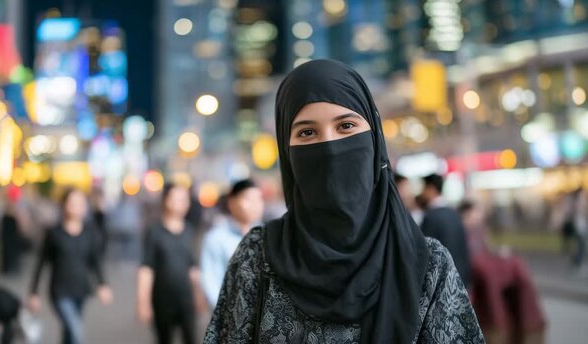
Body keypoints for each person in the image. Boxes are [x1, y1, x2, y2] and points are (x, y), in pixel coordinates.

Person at [204, 59, 483, 343]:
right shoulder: (257, 258)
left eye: (346, 125)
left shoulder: (428, 264)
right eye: (307, 132)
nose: (329, 148)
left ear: (374, 138)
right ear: (287, 155)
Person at [28, 188, 113, 344]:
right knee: (76, 331)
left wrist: (103, 284)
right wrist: (34, 292)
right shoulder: (54, 233)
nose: (76, 207)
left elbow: (95, 262)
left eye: (80, 203)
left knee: (69, 332)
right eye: (72, 203)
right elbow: (41, 264)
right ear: (63, 205)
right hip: (60, 291)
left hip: (81, 289)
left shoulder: (90, 232)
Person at [460, 200, 546, 344]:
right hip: (474, 273)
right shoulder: (463, 231)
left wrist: (498, 252)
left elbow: (487, 247)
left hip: (483, 267)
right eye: (474, 213)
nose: (477, 217)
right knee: (491, 280)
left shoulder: (480, 230)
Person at [137, 183, 200, 344]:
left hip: (185, 299)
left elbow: (192, 267)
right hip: (162, 300)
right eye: (176, 199)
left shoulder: (189, 231)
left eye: (184, 199)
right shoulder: (154, 231)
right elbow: (146, 269)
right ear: (166, 200)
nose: (182, 203)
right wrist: (143, 302)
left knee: (191, 338)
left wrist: (198, 294)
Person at [200, 179, 264, 309]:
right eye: (248, 199)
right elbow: (210, 280)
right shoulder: (216, 238)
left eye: (259, 199)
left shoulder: (267, 235)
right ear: (232, 202)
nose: (255, 205)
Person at [420, 173, 471, 286]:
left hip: (442, 284)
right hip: (459, 279)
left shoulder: (431, 217)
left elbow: (426, 252)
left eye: (423, 188)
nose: (422, 193)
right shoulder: (454, 214)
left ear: (431, 189)